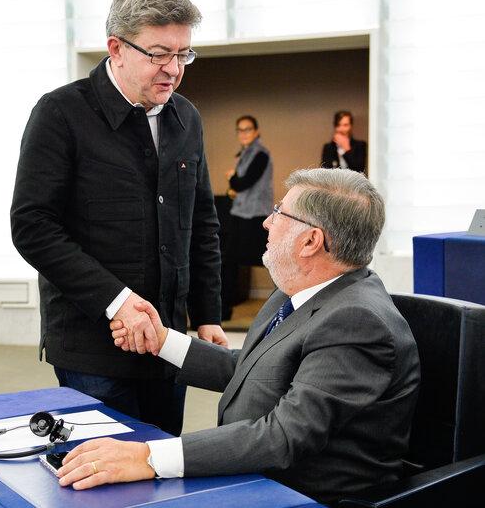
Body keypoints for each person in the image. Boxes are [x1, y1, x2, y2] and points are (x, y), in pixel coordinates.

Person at [55, 168, 421, 505]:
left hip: (301, 494)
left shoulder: (358, 324)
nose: (266, 222)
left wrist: (148, 456)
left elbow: (283, 437)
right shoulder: (299, 289)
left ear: (311, 240)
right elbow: (255, 368)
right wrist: (163, 340)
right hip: (257, 476)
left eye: (279, 212)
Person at [10, 0, 226, 437]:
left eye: (183, 53)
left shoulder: (187, 117)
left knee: (163, 468)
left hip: (168, 340)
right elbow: (33, 226)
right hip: (93, 347)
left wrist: (207, 313)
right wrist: (117, 301)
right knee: (105, 483)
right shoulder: (60, 114)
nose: (174, 68)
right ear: (116, 49)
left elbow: (201, 222)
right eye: (159, 54)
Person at [221, 115, 273, 320]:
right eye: (240, 130)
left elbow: (244, 183)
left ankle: (286, 308)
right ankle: (224, 311)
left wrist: (232, 178)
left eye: (248, 129)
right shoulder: (245, 154)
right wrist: (234, 186)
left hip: (254, 217)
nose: (243, 133)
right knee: (229, 262)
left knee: (270, 261)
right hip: (241, 214)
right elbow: (241, 187)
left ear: (257, 131)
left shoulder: (260, 154)